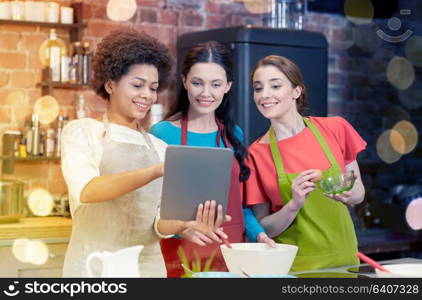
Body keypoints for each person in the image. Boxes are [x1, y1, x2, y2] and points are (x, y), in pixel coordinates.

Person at [61, 28, 228, 278]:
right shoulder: (83, 132)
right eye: (137, 85)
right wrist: (155, 170)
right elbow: (88, 191)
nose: (147, 96)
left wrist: (184, 224)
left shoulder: (158, 146)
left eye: (153, 88)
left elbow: (158, 222)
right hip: (95, 267)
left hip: (147, 269)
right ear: (110, 85)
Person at [149, 41, 275, 277]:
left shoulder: (233, 134)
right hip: (181, 254)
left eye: (215, 84)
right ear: (185, 81)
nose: (206, 93)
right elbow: (149, 211)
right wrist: (182, 229)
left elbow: (239, 206)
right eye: (197, 83)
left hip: (230, 252)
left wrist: (258, 233)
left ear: (227, 86)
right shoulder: (161, 134)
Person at [244, 55, 366, 272]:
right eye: (258, 88)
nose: (265, 95)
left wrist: (346, 194)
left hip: (345, 259)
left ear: (296, 91)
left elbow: (359, 193)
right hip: (294, 267)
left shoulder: (335, 128)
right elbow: (264, 228)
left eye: (275, 86)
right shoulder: (256, 154)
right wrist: (294, 205)